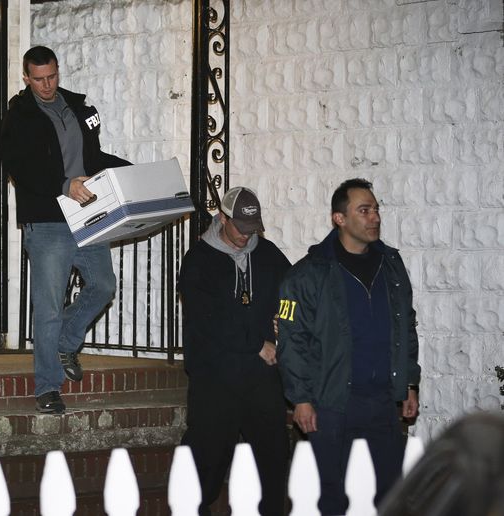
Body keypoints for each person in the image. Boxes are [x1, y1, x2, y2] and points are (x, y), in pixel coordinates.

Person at [276, 178, 421, 515]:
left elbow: (406, 328)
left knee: (387, 494)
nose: (374, 218)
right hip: (332, 404)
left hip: (383, 402)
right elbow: (291, 341)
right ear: (339, 218)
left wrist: (409, 383)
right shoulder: (308, 275)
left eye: (376, 210)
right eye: (364, 210)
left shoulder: (392, 266)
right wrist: (300, 398)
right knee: (333, 497)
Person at [0, 46, 130, 414]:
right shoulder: (19, 117)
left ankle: (65, 344)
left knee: (104, 285)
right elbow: (20, 168)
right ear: (26, 77)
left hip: (85, 214)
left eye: (52, 76)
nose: (46, 85)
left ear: (58, 71)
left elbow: (93, 158)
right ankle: (47, 386)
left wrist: (133, 171)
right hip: (47, 221)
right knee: (49, 307)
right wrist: (63, 184)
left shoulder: (77, 106)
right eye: (38, 79)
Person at [179, 186, 291, 516]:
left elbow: (294, 293)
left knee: (272, 459)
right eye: (240, 228)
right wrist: (256, 343)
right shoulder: (198, 261)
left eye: (252, 229)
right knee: (206, 460)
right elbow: (209, 321)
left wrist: (284, 324)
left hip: (260, 380)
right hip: (215, 379)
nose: (245, 236)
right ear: (223, 218)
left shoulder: (269, 255)